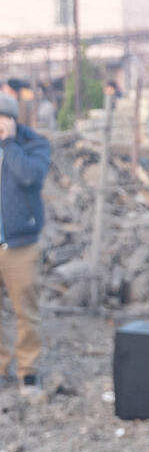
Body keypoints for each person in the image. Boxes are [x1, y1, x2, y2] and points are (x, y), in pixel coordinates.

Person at [0, 92, 52, 394]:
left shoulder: (34, 144)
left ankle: (28, 370)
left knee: (26, 311)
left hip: (21, 246)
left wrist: (9, 144)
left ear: (12, 119)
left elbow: (29, 176)